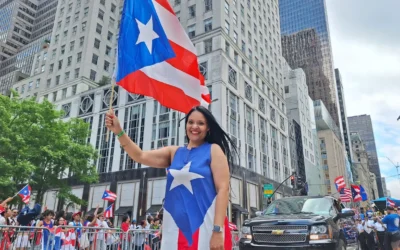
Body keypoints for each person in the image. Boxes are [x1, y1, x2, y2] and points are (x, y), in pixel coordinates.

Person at [106, 106, 236, 250]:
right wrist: (118, 131)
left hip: (205, 228)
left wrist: (217, 230)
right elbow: (140, 155)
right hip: (174, 230)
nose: (194, 126)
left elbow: (223, 189)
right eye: (190, 122)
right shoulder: (174, 152)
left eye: (201, 123)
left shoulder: (214, 150)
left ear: (208, 128)